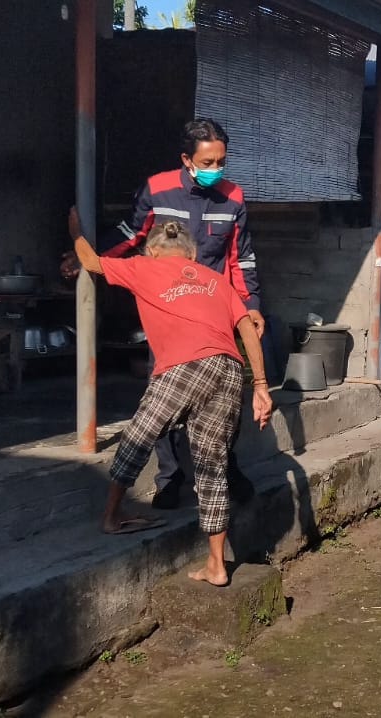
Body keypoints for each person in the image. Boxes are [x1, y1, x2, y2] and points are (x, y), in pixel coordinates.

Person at [63, 118, 262, 510]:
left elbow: (242, 260)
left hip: (215, 312)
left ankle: (225, 468)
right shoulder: (158, 189)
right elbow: (129, 235)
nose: (215, 169)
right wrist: (86, 254)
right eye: (207, 162)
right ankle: (170, 479)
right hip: (167, 316)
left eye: (221, 161)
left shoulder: (233, 197)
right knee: (165, 402)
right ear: (187, 159)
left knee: (224, 403)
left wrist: (251, 306)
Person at [73, 221, 273, 587]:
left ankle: (112, 516)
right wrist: (260, 385)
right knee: (212, 465)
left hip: (184, 364)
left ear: (152, 251)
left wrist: (74, 228)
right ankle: (216, 564)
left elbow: (90, 260)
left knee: (138, 436)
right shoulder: (216, 281)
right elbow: (246, 327)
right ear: (193, 255)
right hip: (229, 367)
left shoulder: (142, 266)